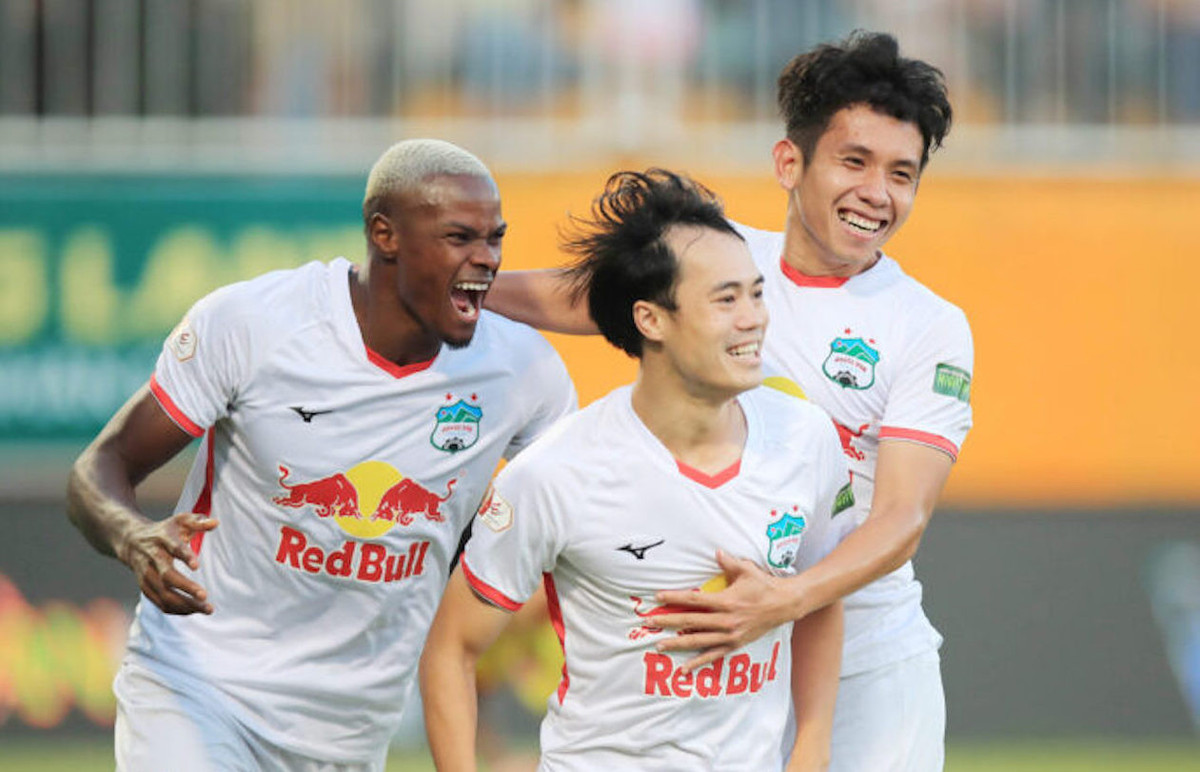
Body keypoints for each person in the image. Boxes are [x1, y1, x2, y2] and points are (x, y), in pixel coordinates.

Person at [483, 32, 973, 772]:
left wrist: (787, 600)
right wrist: (461, 288)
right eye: (855, 161)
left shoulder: (928, 325)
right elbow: (585, 296)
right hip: (730, 679)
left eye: (902, 174)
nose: (878, 192)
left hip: (869, 671)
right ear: (789, 163)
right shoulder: (726, 258)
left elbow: (902, 519)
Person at [65, 139, 576, 771]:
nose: (487, 259)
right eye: (459, 238)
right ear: (385, 234)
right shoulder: (256, 325)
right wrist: (132, 537)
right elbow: (99, 469)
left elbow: (586, 505)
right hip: (200, 689)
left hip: (350, 734)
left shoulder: (521, 370)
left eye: (495, 239)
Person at [419, 169, 854, 771]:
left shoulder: (807, 438)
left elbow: (820, 596)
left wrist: (812, 745)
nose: (753, 318)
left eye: (757, 294)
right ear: (651, 320)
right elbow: (450, 650)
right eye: (726, 299)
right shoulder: (555, 470)